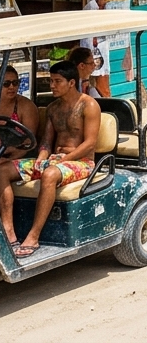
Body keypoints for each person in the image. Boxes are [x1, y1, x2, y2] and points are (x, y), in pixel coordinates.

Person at [0, 61, 100, 258]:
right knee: (2, 170)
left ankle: (33, 236)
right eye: (50, 81)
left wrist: (62, 160)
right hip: (55, 161)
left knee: (49, 174)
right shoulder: (53, 108)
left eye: (57, 81)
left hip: (82, 163)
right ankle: (9, 232)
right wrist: (42, 157)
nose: (52, 85)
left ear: (71, 82)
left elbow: (89, 144)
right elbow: (45, 142)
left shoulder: (89, 105)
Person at [0, 66, 39, 162]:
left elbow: (29, 142)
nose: (11, 87)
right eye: (6, 84)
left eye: (15, 83)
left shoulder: (26, 106)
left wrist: (6, 158)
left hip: (21, 155)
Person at [79, 0, 111, 97]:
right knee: (91, 78)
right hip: (92, 47)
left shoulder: (103, 9)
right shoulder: (92, 7)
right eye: (105, 0)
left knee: (100, 78)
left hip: (99, 48)